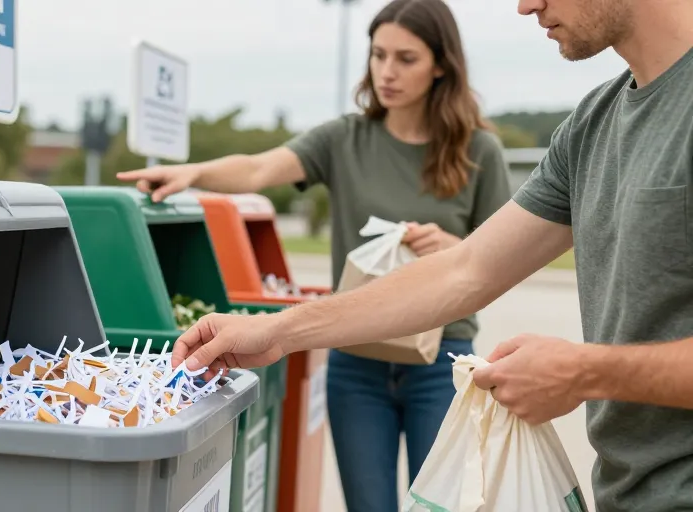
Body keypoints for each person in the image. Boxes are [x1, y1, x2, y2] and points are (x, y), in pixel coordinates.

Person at [165, 0, 693, 510]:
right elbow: (466, 271)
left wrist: (584, 371)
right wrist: (276, 330)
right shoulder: (591, 126)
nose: (525, 6)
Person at [116, 0, 512, 509]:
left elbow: (503, 257)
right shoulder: (344, 139)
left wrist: (455, 248)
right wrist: (193, 174)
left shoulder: (479, 151)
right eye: (378, 55)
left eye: (405, 59)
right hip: (355, 362)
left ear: (441, 65)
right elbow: (259, 170)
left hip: (442, 363)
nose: (386, 72)